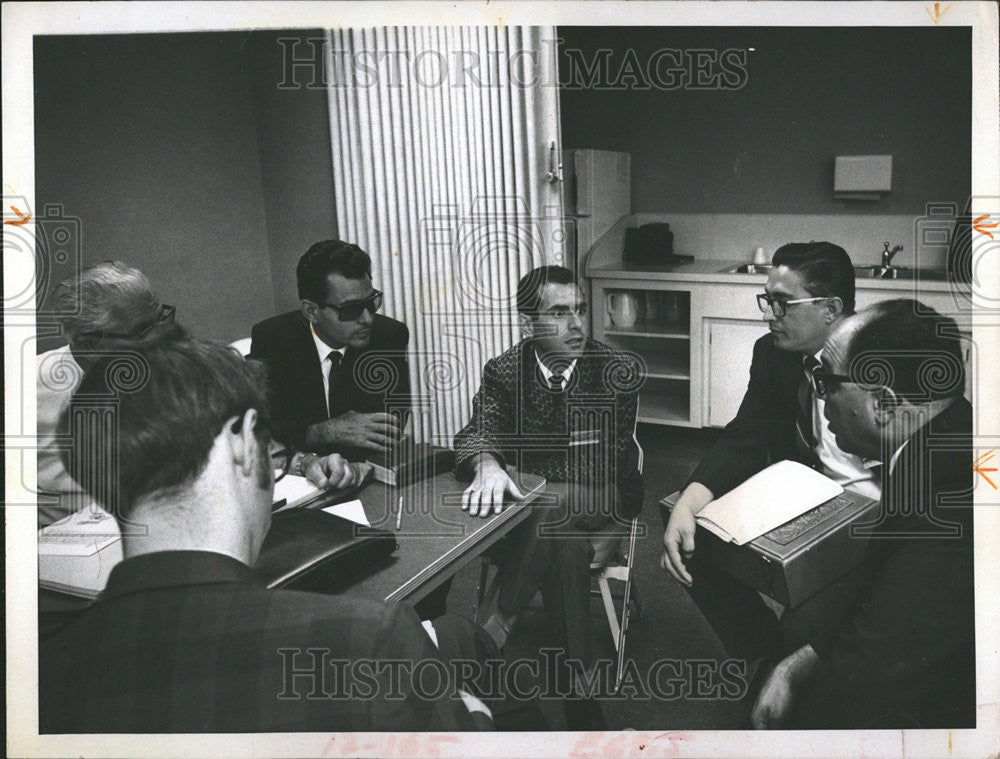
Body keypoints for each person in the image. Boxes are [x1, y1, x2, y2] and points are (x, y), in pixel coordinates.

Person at [39, 337, 498, 733]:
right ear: (242, 444)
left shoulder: (41, 680)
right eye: (271, 445)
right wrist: (474, 716)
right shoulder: (371, 640)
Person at [751, 299, 974, 728]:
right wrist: (798, 662)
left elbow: (870, 683)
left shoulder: (945, 514)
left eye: (827, 382)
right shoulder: (944, 440)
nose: (823, 401)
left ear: (885, 406)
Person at [660, 242, 880, 663]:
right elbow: (747, 433)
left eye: (782, 304)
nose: (768, 315)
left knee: (805, 629)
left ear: (831, 309)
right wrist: (687, 504)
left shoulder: (884, 357)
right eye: (767, 301)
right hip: (806, 496)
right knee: (689, 536)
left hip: (873, 521)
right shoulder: (773, 354)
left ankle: (785, 673)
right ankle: (767, 662)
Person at [453, 265, 644, 729]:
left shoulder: (614, 370)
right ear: (527, 324)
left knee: (550, 504)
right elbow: (474, 435)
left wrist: (518, 472)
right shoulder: (504, 371)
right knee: (565, 549)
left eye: (579, 309)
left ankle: (497, 624)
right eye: (559, 313)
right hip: (548, 519)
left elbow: (600, 465)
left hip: (602, 495)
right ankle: (581, 693)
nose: (577, 324)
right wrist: (488, 463)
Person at [36, 261, 184, 527]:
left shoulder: (174, 368)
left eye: (162, 318)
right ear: (89, 343)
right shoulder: (24, 390)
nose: (163, 337)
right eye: (144, 331)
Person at [249, 240, 410, 462]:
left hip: (360, 470)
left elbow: (387, 427)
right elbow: (258, 427)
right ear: (311, 311)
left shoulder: (388, 336)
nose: (368, 318)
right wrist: (324, 431)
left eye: (371, 302)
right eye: (351, 308)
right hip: (298, 474)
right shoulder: (273, 339)